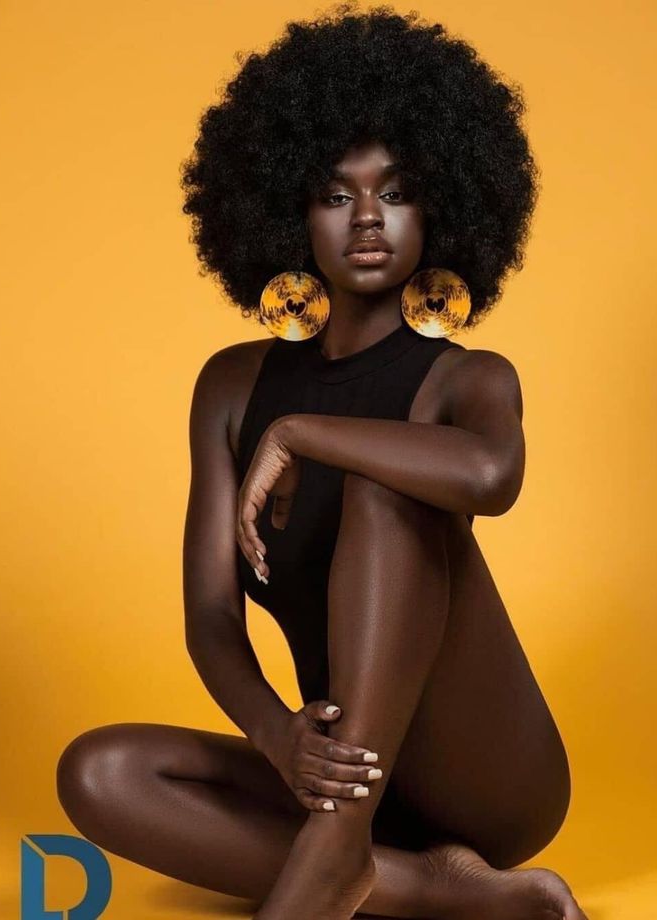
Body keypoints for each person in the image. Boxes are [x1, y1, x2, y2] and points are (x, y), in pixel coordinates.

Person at [56, 5, 588, 918]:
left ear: (447, 207)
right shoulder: (230, 386)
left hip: (487, 775)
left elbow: (491, 479)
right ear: (287, 210)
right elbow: (213, 617)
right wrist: (278, 737)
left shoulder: (467, 380)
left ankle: (339, 855)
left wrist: (303, 434)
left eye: (397, 190)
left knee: (385, 489)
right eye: (337, 195)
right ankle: (433, 890)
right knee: (99, 770)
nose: (370, 218)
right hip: (336, 767)